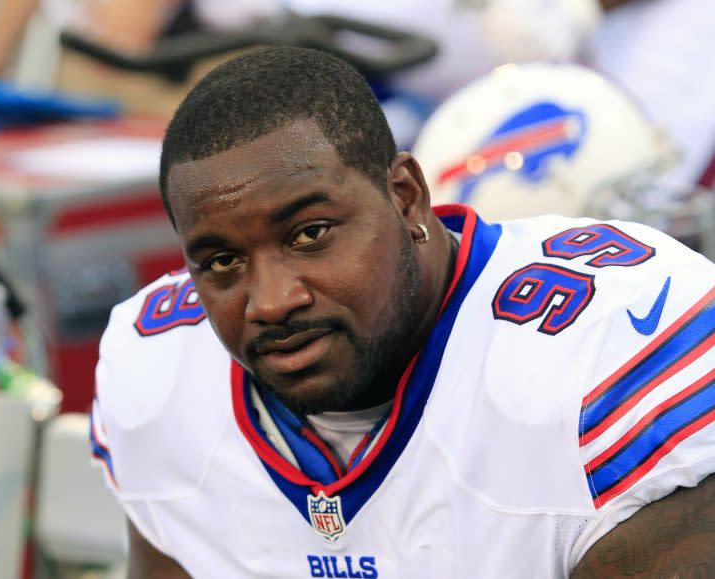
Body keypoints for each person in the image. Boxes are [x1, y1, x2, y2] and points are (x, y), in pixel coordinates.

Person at [91, 46, 715, 578]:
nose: (273, 300)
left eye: (310, 233)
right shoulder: (155, 370)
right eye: (221, 261)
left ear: (406, 197)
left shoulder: (607, 345)